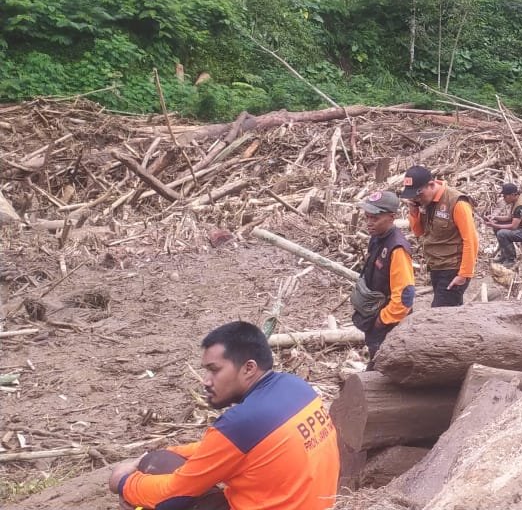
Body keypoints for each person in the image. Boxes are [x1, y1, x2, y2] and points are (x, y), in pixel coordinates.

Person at [108, 321, 339, 510]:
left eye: (214, 370)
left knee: (155, 467)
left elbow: (172, 497)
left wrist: (123, 482)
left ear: (249, 368)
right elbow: (223, 450)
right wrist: (173, 451)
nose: (206, 381)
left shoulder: (242, 422)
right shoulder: (298, 388)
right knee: (164, 457)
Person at [351, 190, 415, 365]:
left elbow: (405, 297)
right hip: (374, 313)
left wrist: (382, 320)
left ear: (392, 217)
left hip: (389, 323)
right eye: (367, 217)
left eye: (375, 219)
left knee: (384, 367)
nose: (369, 223)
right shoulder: (377, 238)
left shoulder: (397, 248)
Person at [400, 165, 477, 307]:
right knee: (451, 315)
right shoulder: (426, 203)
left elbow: (471, 240)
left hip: (453, 269)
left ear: (431, 185)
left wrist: (464, 274)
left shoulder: (456, 202)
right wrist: (414, 211)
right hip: (436, 266)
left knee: (438, 314)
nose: (417, 199)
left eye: (419, 194)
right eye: (414, 196)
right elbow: (419, 232)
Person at [484, 182, 522, 264]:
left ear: (513, 194)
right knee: (498, 227)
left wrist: (495, 225)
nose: (504, 198)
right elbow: (509, 218)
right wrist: (494, 217)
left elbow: (513, 226)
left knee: (502, 233)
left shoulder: (521, 205)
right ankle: (504, 254)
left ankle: (511, 259)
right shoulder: (517, 200)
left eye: (505, 196)